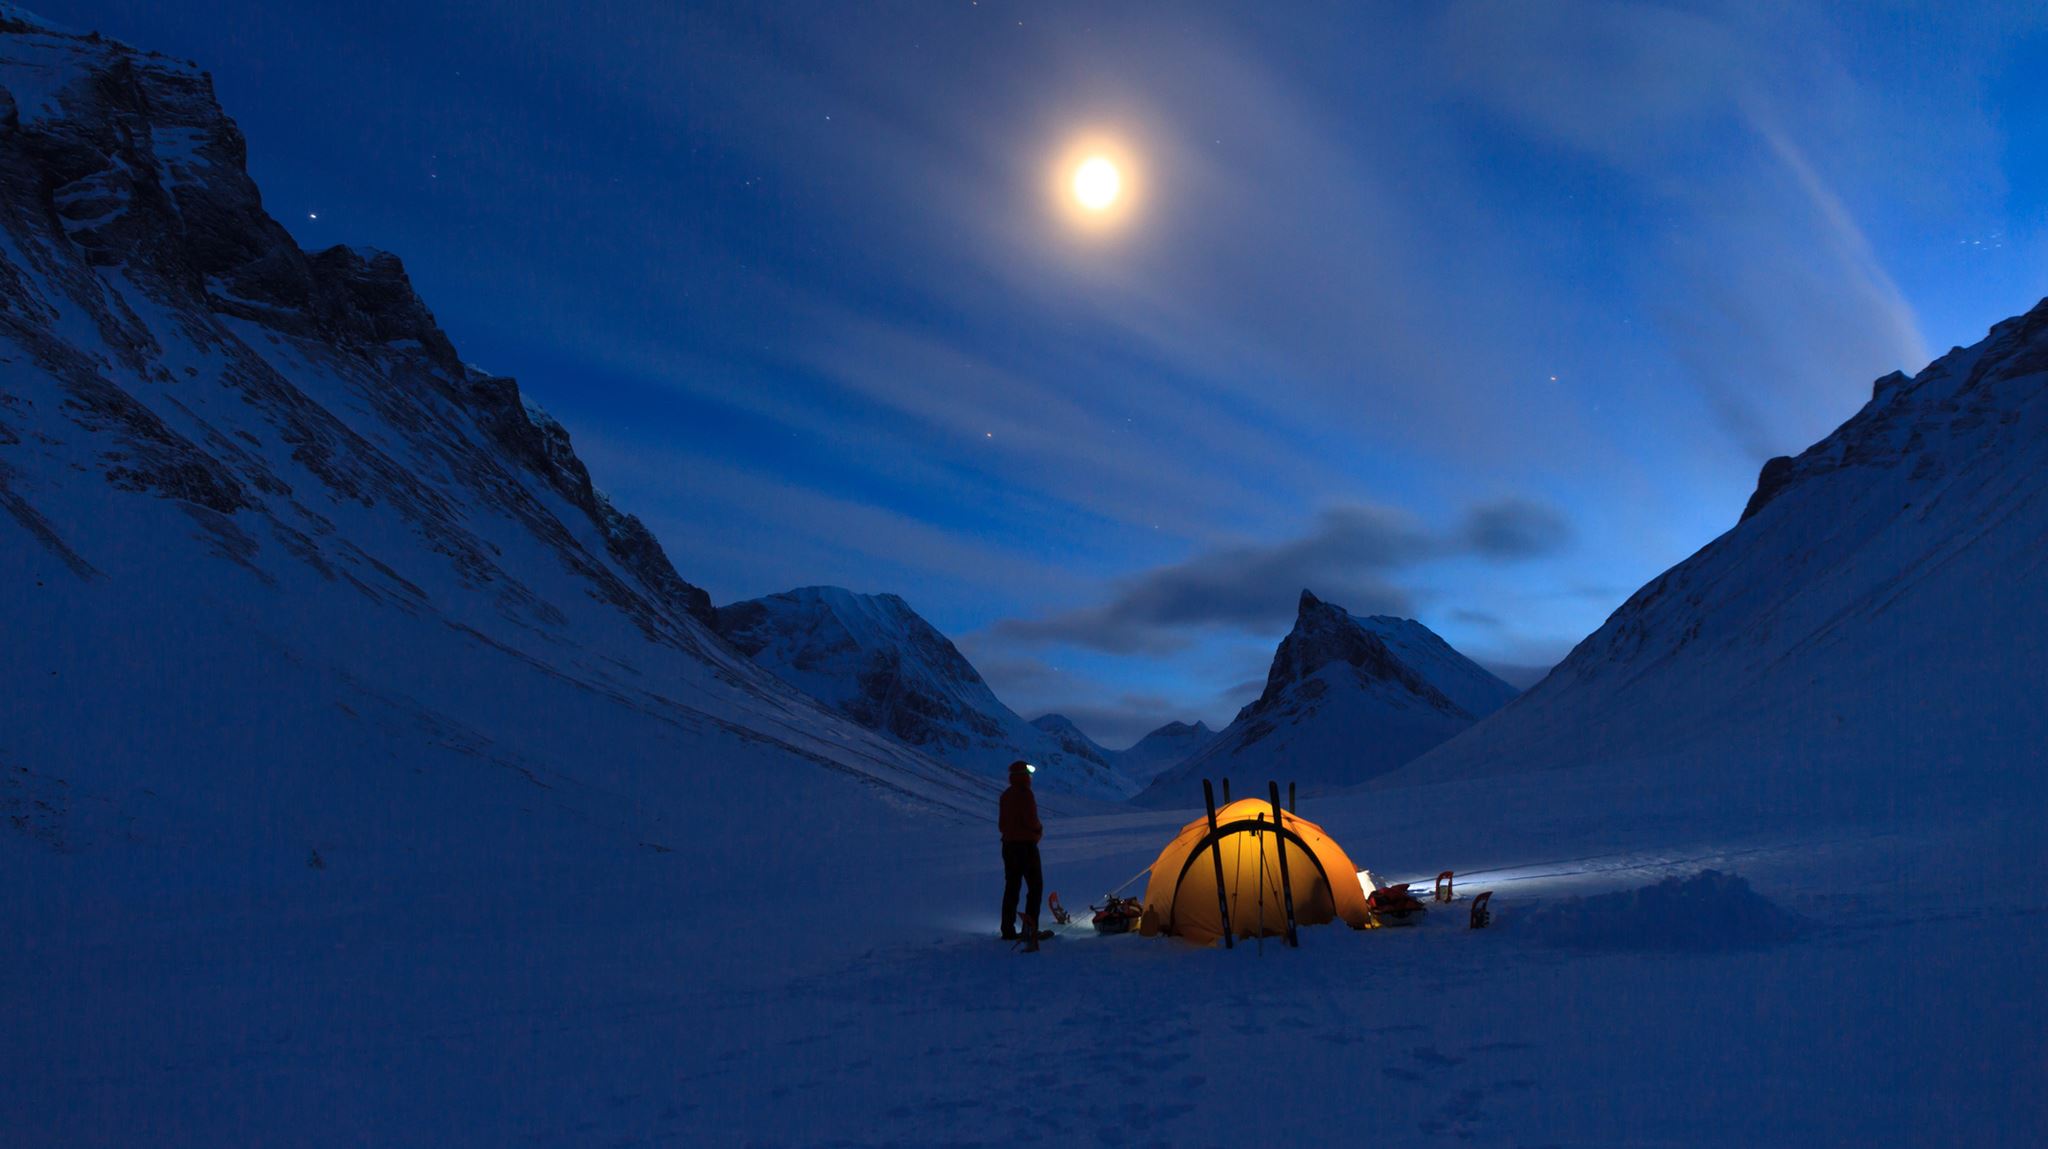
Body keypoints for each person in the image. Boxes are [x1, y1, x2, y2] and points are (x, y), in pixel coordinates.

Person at [998, 759, 1045, 948]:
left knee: (1012, 887)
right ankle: (1030, 929)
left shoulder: (1006, 795)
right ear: (1024, 776)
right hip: (1025, 846)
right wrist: (1038, 831)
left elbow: (1002, 825)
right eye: (1029, 774)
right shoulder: (1025, 794)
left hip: (1008, 846)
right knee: (1035, 887)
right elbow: (1032, 820)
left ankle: (1007, 929)